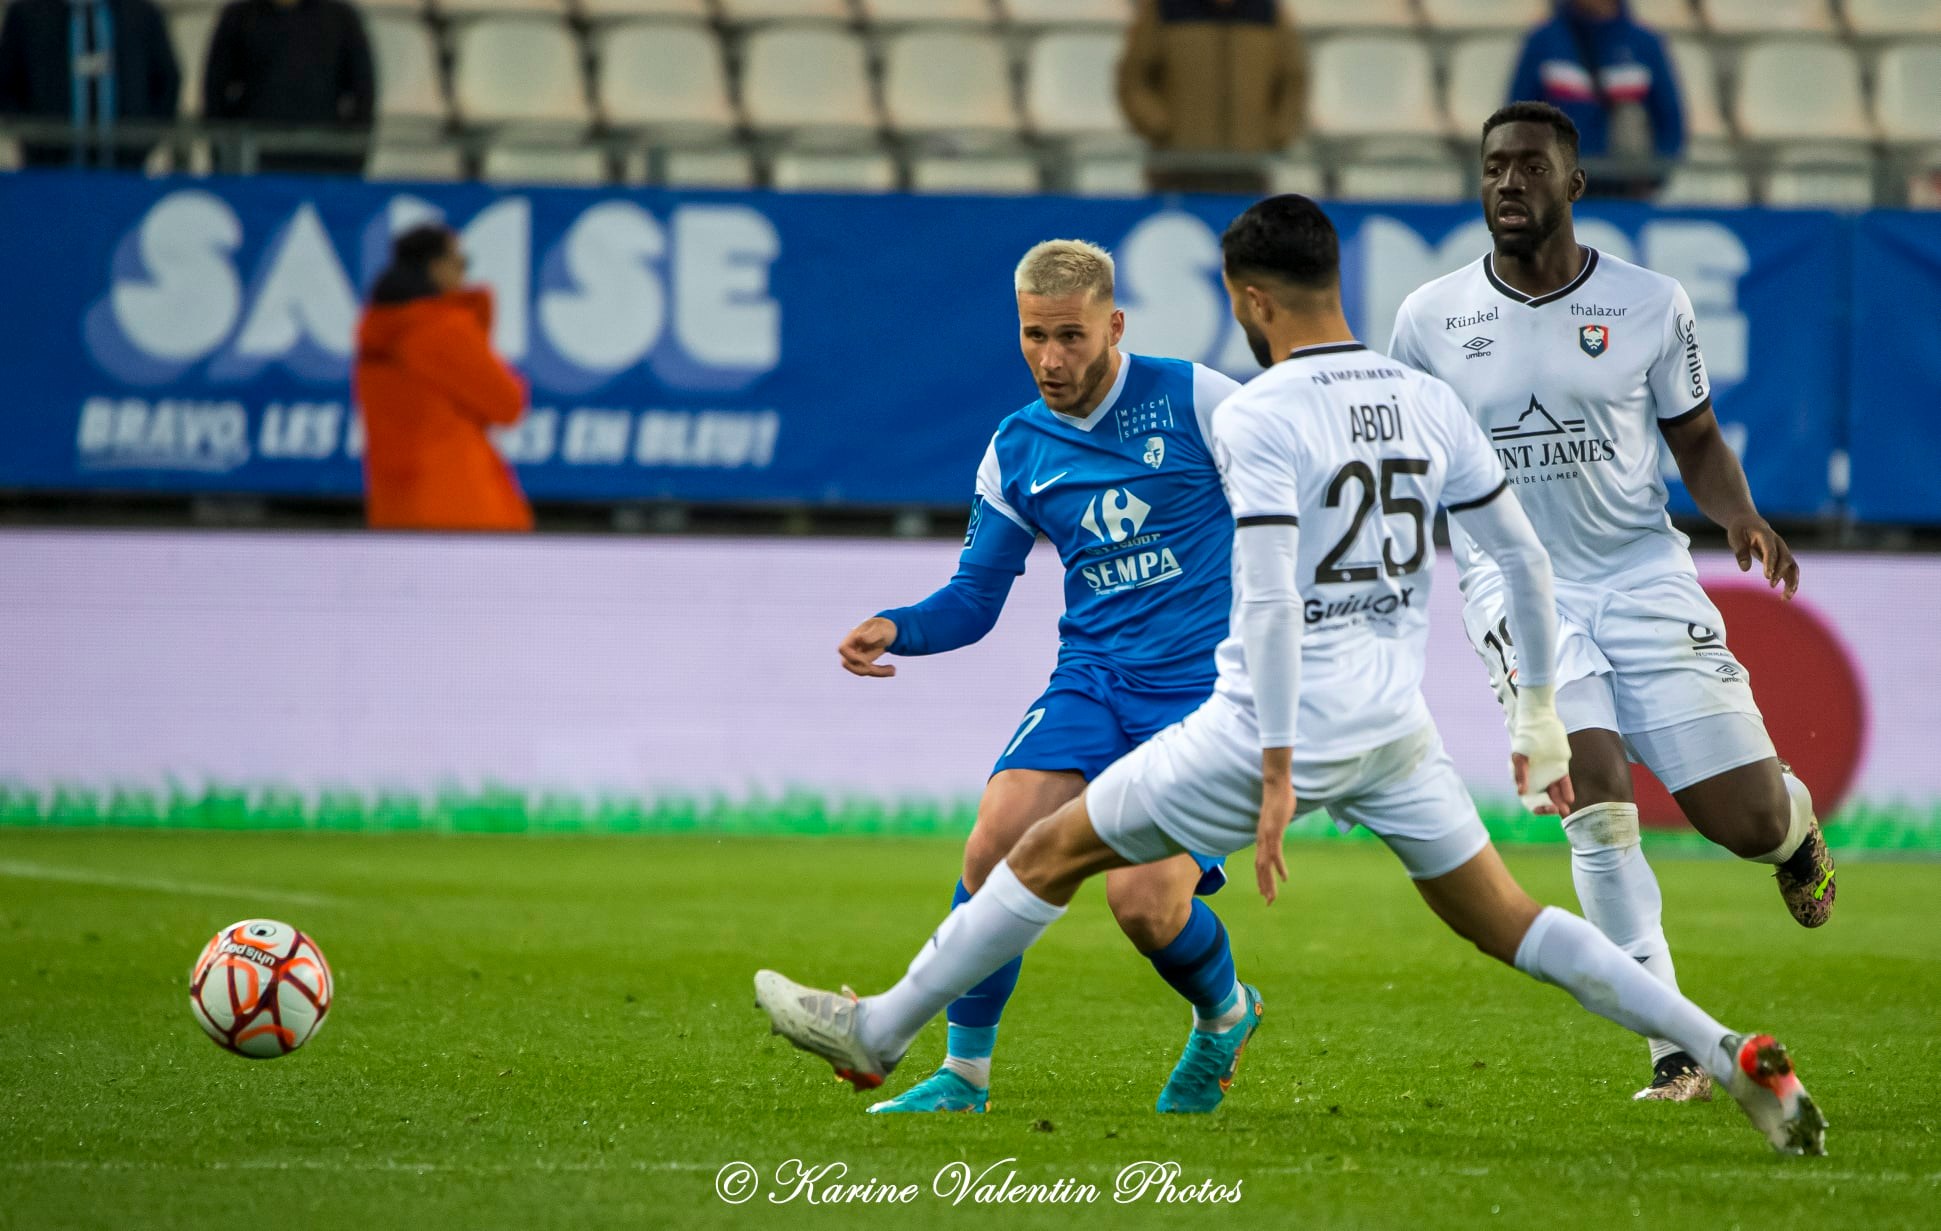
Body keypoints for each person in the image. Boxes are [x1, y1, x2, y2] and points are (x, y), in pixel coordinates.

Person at [756, 195, 1827, 1158]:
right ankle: (1726, 1050)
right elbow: (1523, 559)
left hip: (1269, 721)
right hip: (1394, 730)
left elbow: (1268, 595)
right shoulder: (1423, 397)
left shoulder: (1255, 409)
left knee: (1046, 849)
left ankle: (881, 1029)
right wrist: (1538, 713)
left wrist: (1273, 768)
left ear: (1249, 298)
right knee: (1513, 920)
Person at [1387, 102, 1834, 1104]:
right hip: (1516, 584)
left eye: (1531, 167)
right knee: (1593, 796)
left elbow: (1699, 438)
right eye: (1495, 167)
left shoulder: (1650, 302)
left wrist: (1740, 515)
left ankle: (1794, 826)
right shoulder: (1428, 319)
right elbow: (1409, 463)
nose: (1509, 183)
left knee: (1743, 818)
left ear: (1573, 185)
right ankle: (1672, 1044)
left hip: (1641, 576)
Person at [837, 239, 1261, 1115]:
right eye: (1034, 336)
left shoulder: (1197, 399)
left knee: (1142, 901)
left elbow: (1295, 505)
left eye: (1070, 336)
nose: (1051, 358)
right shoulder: (1016, 446)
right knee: (994, 841)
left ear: (1113, 325)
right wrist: (898, 627)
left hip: (1204, 697)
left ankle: (1224, 1015)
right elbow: (974, 599)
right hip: (1093, 684)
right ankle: (963, 1074)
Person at [355, 224, 533, 533]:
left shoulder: (377, 331)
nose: (465, 272)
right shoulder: (441, 330)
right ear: (436, 267)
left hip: (395, 503)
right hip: (461, 505)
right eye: (461, 262)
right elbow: (508, 404)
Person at [1117, 0, 1306, 196]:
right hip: (1177, 170)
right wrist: (1159, 126)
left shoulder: (1267, 10)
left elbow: (1293, 79)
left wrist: (1278, 132)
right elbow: (1133, 77)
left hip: (1249, 170)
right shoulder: (1165, 8)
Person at [1506, 1, 1684, 197]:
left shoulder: (1645, 45)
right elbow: (1517, 120)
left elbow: (1670, 122)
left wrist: (1652, 178)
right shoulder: (1543, 42)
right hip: (1557, 192)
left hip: (1625, 191)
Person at [0, 0, 179, 169]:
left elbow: (166, 82)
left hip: (125, 172)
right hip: (48, 172)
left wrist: (142, 142)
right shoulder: (26, 14)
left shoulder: (142, 14)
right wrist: (32, 139)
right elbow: (7, 83)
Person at [202, 0, 374, 175]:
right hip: (253, 165)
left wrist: (353, 159)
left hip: (325, 165)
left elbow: (363, 94)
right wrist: (223, 157)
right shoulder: (238, 17)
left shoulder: (341, 18)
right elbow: (215, 92)